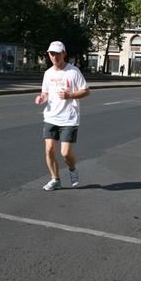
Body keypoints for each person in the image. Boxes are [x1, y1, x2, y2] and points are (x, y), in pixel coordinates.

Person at [35, 41, 90, 191]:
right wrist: (41, 98)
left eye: (58, 53)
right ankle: (55, 179)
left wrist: (70, 95)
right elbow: (45, 93)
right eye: (52, 54)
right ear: (48, 55)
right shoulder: (48, 73)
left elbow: (86, 91)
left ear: (64, 54)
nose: (54, 57)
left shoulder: (73, 71)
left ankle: (72, 168)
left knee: (65, 153)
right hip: (51, 117)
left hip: (69, 118)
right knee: (49, 150)